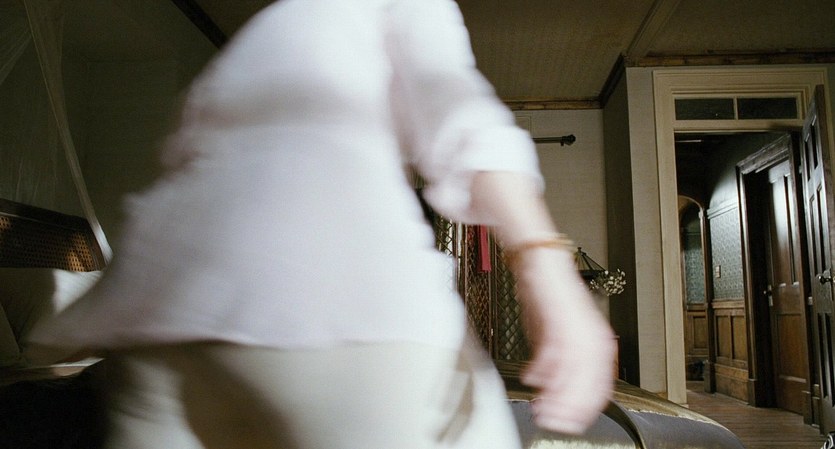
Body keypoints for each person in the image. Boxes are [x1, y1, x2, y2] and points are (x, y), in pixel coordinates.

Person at [26, 0, 616, 448]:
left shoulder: (260, 37)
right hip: (327, 307)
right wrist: (545, 267)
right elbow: (460, 117)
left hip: (156, 329)